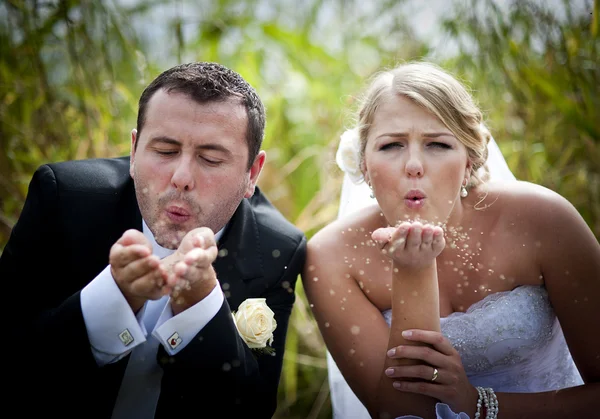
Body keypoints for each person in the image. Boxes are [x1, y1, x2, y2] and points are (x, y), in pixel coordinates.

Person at [0, 62, 306, 419]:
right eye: (164, 151)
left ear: (252, 173)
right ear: (134, 151)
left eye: (210, 159)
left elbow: (249, 409)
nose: (181, 177)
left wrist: (203, 307)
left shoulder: (275, 248)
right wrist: (114, 298)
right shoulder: (65, 200)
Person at [302, 62, 600, 419]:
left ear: (470, 160)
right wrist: (414, 270)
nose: (413, 165)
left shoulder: (545, 221)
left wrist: (480, 405)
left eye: (438, 144)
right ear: (363, 165)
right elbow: (401, 414)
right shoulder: (331, 256)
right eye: (392, 145)